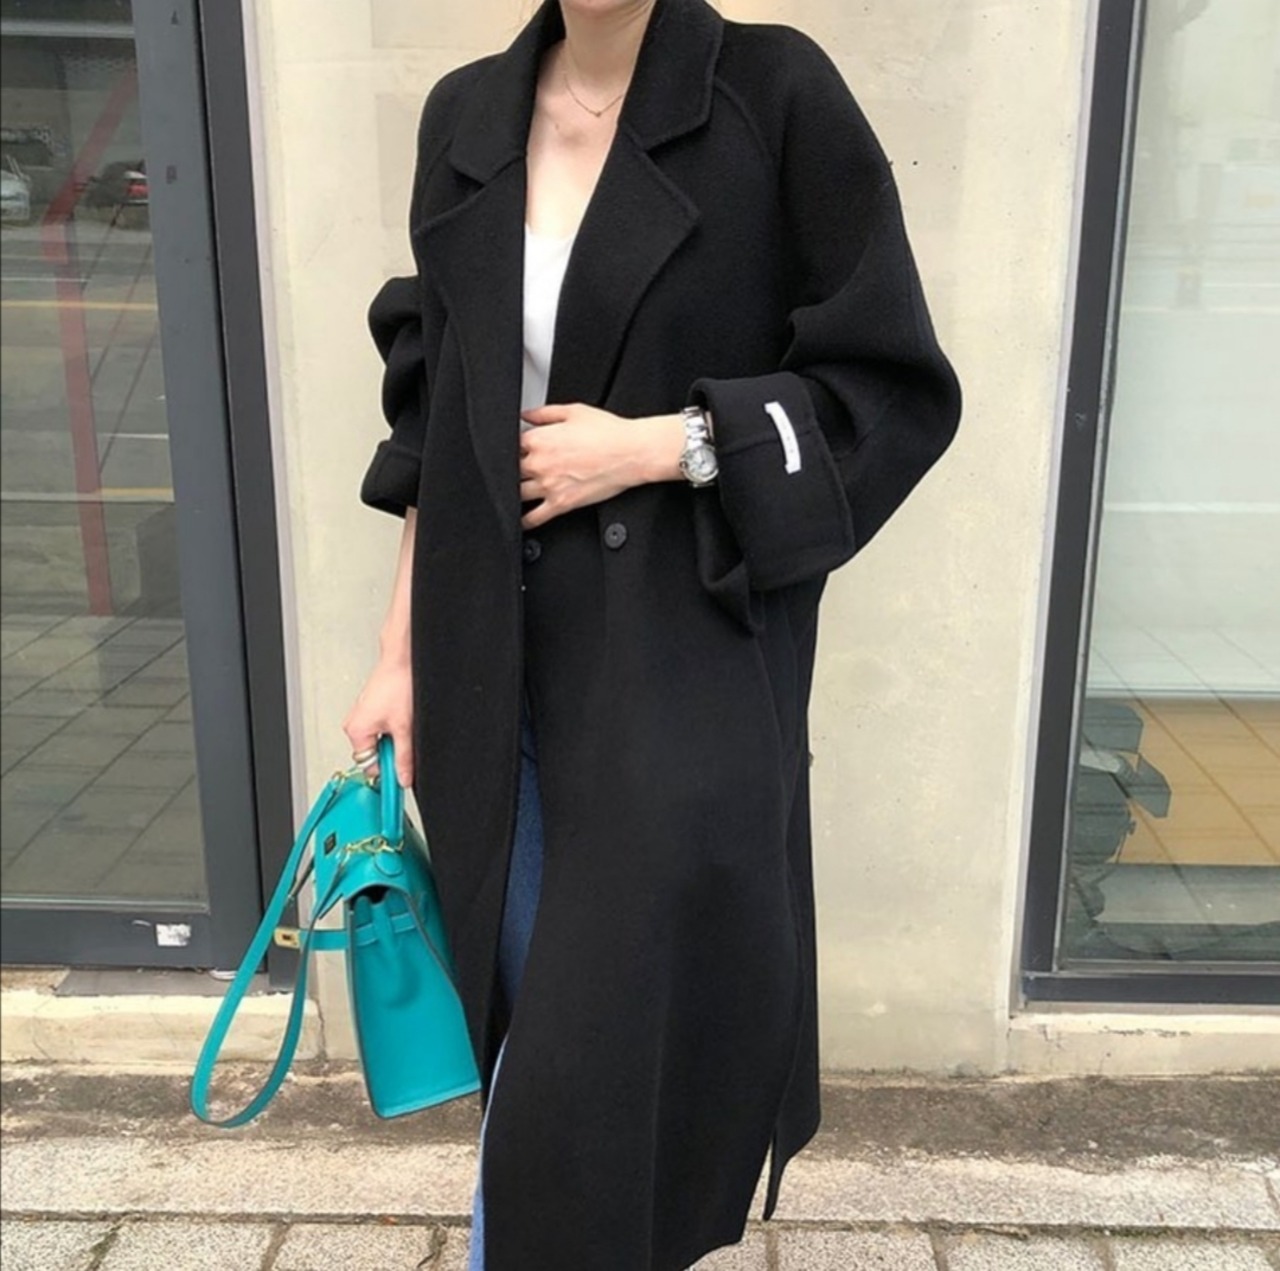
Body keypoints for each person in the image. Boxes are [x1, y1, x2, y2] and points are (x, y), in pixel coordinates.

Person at [342, 0, 962, 1267]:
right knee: (536, 1050)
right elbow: (434, 419)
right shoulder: (467, 115)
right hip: (485, 665)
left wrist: (658, 446)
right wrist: (397, 655)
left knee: (592, 1062)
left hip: (674, 664)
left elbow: (885, 387)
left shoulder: (773, 96)